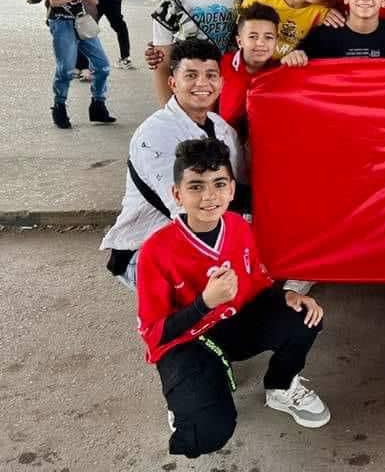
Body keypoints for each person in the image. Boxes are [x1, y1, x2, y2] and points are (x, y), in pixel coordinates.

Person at [136, 137, 328, 459]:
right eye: (196, 186)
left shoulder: (237, 225)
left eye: (219, 184)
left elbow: (257, 283)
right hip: (187, 342)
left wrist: (288, 295)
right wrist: (203, 304)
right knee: (205, 433)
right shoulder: (156, 251)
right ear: (177, 194)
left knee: (305, 318)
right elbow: (154, 335)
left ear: (232, 190)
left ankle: (281, 387)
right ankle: (188, 398)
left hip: (233, 327)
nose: (209, 196)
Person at [100, 38, 246, 287]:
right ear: (172, 83)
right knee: (226, 290)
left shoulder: (223, 129)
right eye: (191, 75)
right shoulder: (156, 133)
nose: (202, 83)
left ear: (221, 83)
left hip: (202, 237)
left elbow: (239, 192)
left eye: (211, 75)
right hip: (145, 250)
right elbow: (190, 212)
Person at [44, 0, 116, 129]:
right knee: (66, 69)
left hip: (81, 22)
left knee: (102, 65)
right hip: (62, 23)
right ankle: (59, 107)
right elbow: (55, 1)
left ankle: (98, 105)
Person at [219, 3, 279, 135]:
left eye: (268, 37)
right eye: (253, 37)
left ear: (276, 41)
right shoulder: (220, 65)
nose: (261, 43)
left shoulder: (280, 70)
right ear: (239, 41)